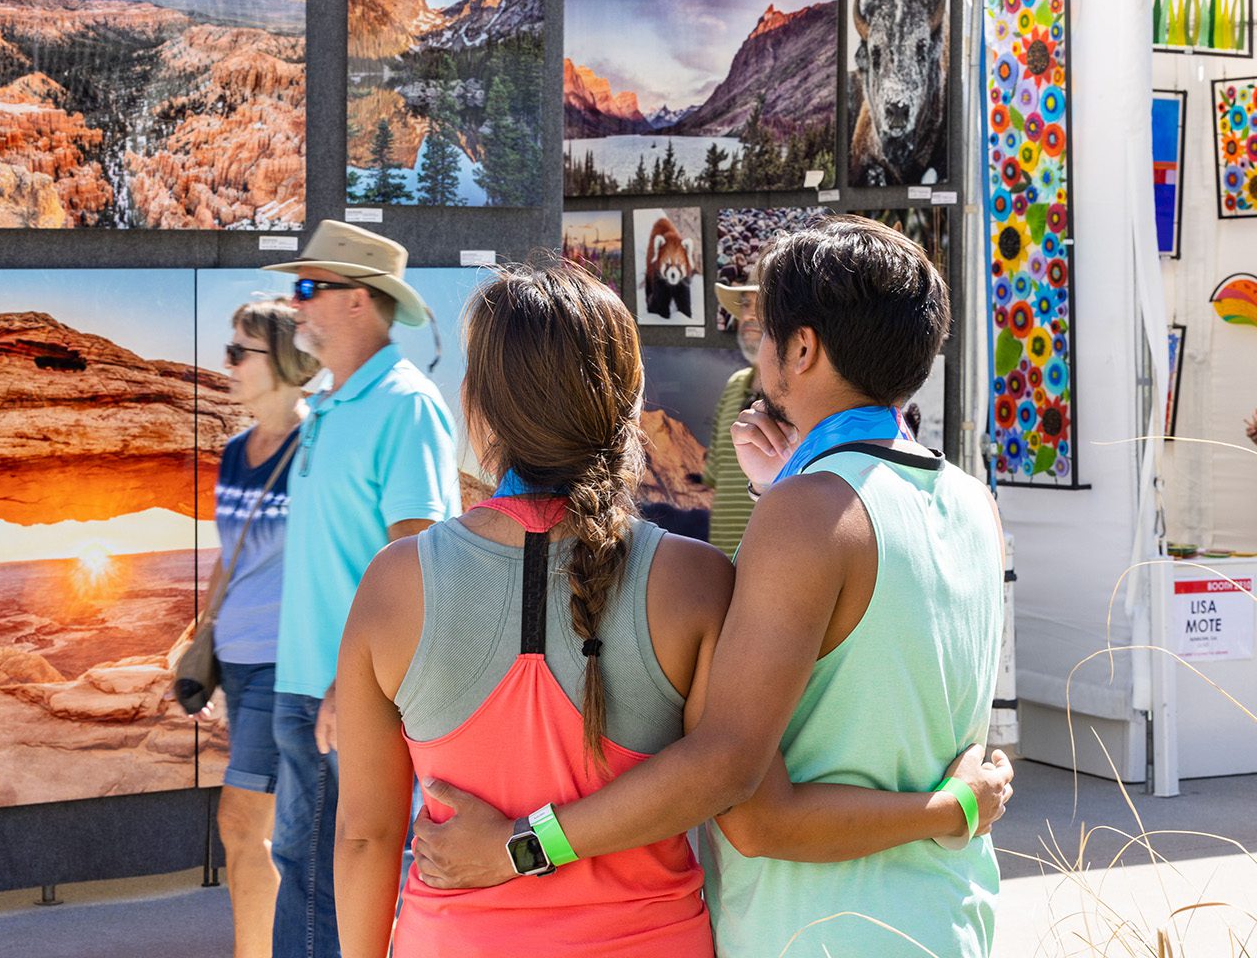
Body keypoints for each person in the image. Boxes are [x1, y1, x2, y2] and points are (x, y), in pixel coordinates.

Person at [334, 258, 1008, 958]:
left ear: (476, 401)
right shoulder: (696, 580)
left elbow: (364, 834)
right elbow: (723, 774)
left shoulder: (393, 585)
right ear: (628, 404)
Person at [263, 221, 462, 958]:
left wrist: (353, 689)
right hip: (307, 689)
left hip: (349, 699)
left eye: (311, 288)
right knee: (306, 876)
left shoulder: (406, 405)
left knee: (333, 889)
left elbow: (417, 557)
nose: (297, 304)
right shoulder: (331, 405)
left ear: (361, 303)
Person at [208, 301, 320, 958]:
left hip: (288, 665)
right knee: (264, 832)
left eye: (238, 351)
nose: (227, 364)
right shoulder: (232, 455)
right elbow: (230, 556)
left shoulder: (317, 449)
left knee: (242, 825)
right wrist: (199, 641)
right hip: (239, 659)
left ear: (279, 360)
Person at [704, 281, 764, 557]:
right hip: (723, 560)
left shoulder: (798, 394)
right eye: (746, 304)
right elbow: (715, 478)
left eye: (761, 305)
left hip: (772, 563)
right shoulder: (735, 384)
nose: (749, 315)